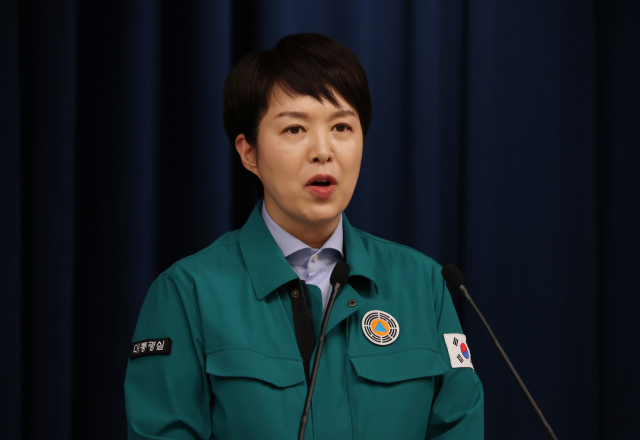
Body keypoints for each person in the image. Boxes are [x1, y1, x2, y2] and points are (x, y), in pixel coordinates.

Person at [125, 33, 483, 439]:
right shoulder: (187, 293)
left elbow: (459, 424)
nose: (323, 151)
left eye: (342, 127)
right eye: (295, 129)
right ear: (249, 153)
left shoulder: (423, 284)